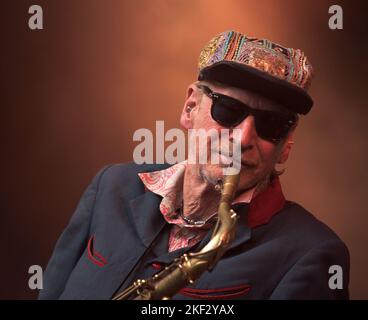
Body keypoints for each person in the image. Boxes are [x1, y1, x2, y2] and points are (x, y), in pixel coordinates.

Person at [39, 30, 350, 300]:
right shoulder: (111, 186)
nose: (243, 138)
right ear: (190, 108)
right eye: (228, 110)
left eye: (272, 124)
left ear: (286, 146)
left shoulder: (311, 253)